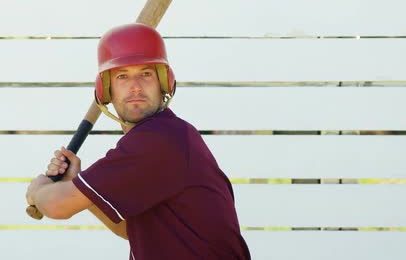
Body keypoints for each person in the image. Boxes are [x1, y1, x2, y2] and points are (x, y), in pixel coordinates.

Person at [26, 23, 251, 259]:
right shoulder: (168, 135)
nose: (135, 87)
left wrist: (39, 189)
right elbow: (132, 231)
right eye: (122, 76)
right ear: (106, 91)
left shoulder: (159, 138)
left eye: (145, 74)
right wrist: (80, 188)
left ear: (164, 83)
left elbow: (56, 206)